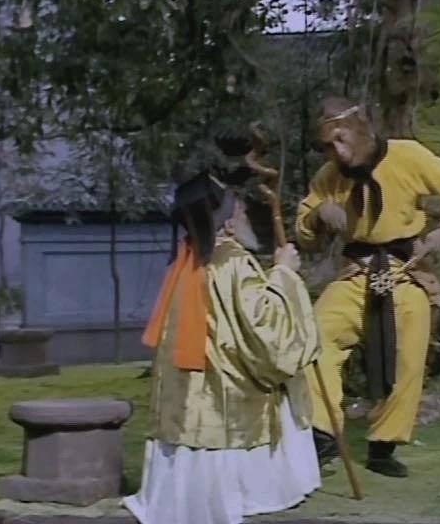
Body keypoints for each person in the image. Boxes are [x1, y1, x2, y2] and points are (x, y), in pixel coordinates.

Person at [124, 166, 321, 524]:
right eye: (239, 209)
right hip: (227, 387)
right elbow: (266, 329)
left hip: (190, 391)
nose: (245, 215)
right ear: (228, 223)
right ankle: (248, 493)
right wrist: (284, 273)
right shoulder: (232, 261)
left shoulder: (187, 259)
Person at [295, 96, 440, 478]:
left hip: (405, 270)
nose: (336, 151)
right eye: (328, 145)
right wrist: (318, 214)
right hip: (356, 272)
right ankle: (322, 433)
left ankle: (383, 445)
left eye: (341, 139)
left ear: (360, 128)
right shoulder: (328, 177)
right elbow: (304, 232)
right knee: (315, 336)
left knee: (408, 355)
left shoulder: (407, 155)